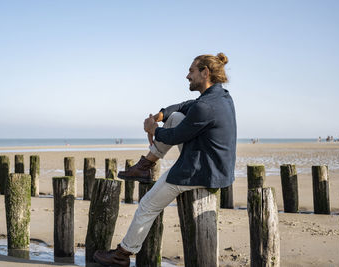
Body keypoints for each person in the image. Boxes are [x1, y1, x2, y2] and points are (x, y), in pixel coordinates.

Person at [93, 53, 237, 267]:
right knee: (176, 117)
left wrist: (154, 130)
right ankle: (146, 165)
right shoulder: (221, 97)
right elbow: (183, 107)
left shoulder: (205, 107)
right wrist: (160, 116)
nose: (187, 75)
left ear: (205, 72)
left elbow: (175, 136)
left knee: (147, 205)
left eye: (191, 70)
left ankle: (122, 255)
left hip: (200, 170)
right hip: (214, 164)